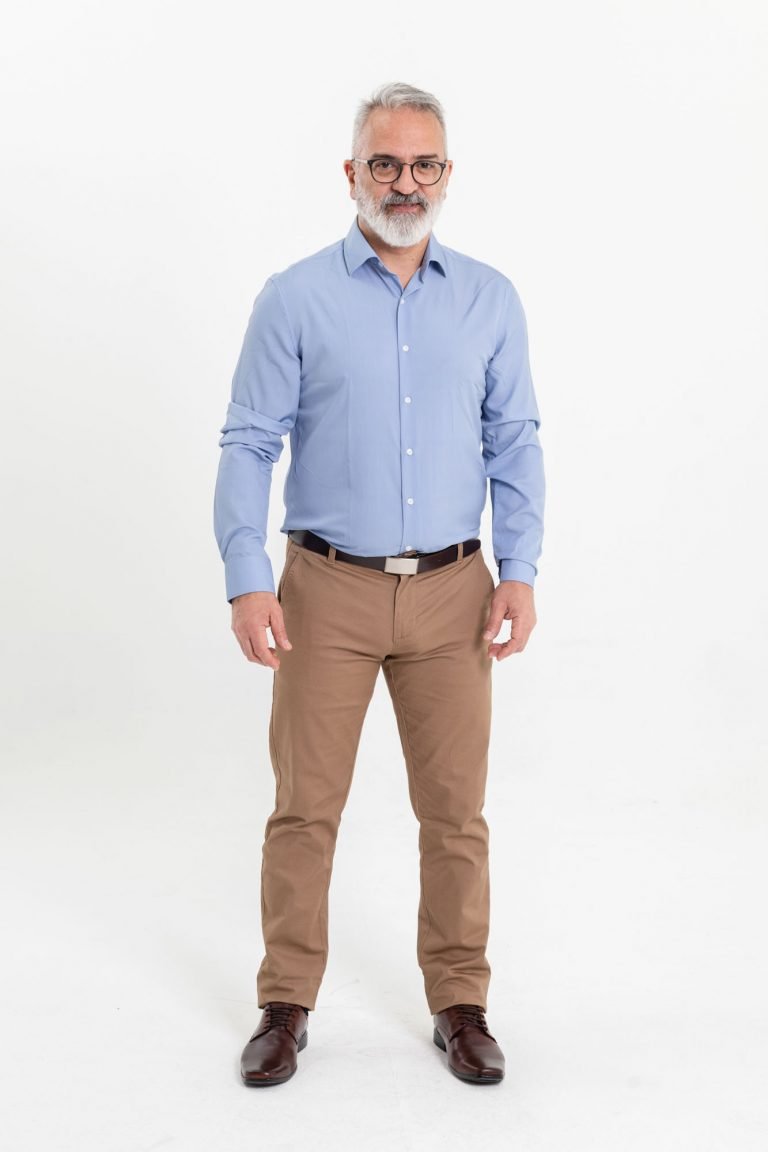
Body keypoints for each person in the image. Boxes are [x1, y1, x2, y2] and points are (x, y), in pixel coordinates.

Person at [213, 81, 545, 1087]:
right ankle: (285, 1003)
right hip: (325, 589)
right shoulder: (294, 297)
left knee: (456, 815)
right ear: (352, 173)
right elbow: (249, 441)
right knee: (304, 809)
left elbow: (515, 441)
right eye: (386, 163)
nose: (406, 182)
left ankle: (461, 1002)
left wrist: (520, 569)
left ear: (447, 173)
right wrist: (246, 577)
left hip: (454, 592)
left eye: (423, 163)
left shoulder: (489, 298)